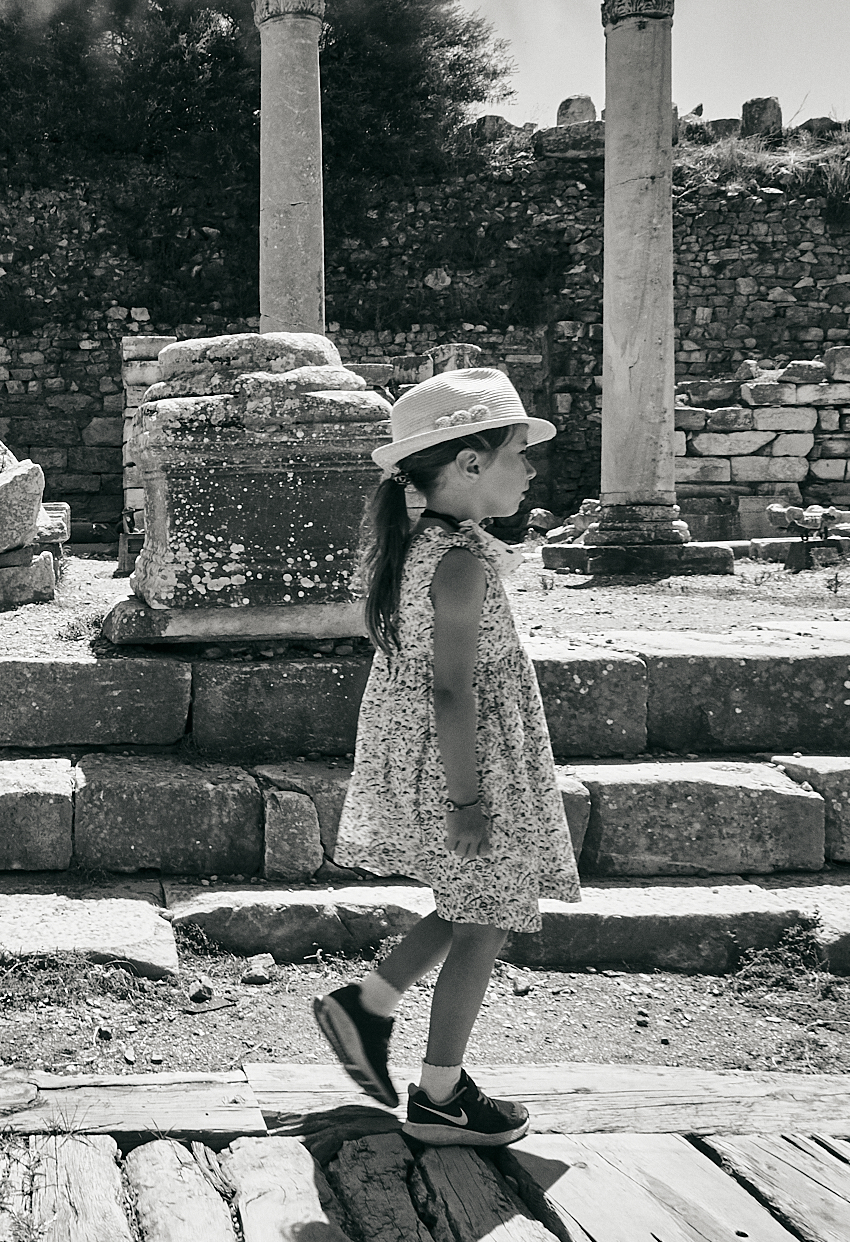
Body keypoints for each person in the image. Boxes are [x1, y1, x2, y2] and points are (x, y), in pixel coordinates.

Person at [310, 367, 579, 1148]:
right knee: (485, 916)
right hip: (468, 766)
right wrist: (468, 798)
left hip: (447, 760)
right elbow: (452, 692)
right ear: (468, 464)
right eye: (517, 454)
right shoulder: (459, 561)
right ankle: (439, 1098)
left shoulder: (426, 545)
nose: (529, 471)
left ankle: (366, 1006)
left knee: (472, 905)